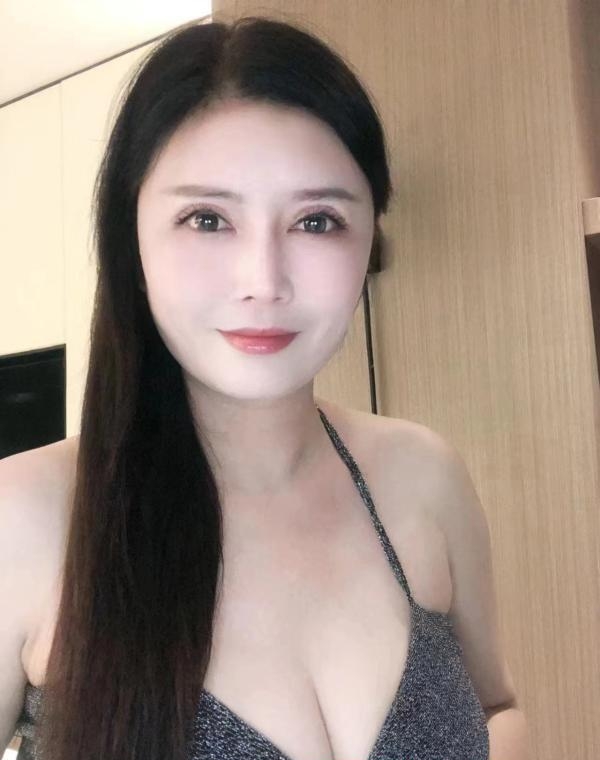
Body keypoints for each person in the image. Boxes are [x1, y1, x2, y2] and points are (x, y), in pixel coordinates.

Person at [0, 14, 527, 760]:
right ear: (131, 241)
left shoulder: (423, 476)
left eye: (316, 221)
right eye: (206, 218)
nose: (264, 281)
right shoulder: (24, 518)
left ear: (368, 240)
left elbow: (497, 707)